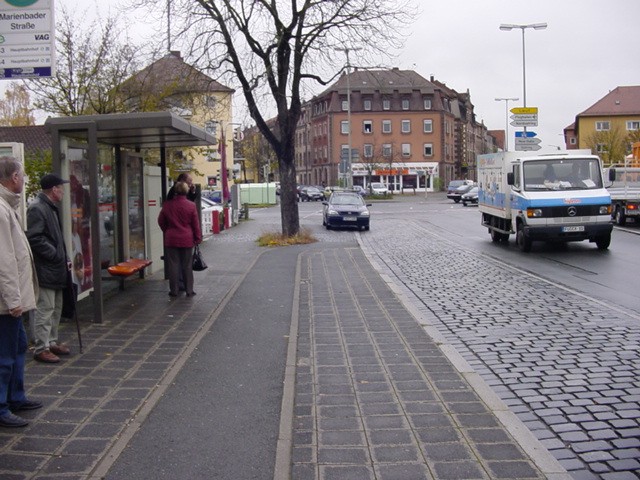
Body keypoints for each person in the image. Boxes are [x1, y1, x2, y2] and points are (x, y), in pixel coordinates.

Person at [0, 156, 42, 428]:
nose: (25, 179)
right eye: (22, 175)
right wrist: (14, 301)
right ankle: (2, 406)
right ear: (13, 177)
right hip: (6, 303)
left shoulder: (7, 206)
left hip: (13, 301)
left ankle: (16, 396)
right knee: (4, 356)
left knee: (17, 348)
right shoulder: (1, 210)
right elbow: (4, 260)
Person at [26, 174, 72, 364]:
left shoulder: (49, 207)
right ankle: (41, 347)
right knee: (46, 308)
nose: (63, 191)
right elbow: (35, 237)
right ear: (54, 189)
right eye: (61, 188)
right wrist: (54, 254)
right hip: (46, 267)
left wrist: (63, 256)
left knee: (56, 307)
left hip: (55, 266)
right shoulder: (38, 208)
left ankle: (51, 341)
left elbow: (55, 238)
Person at [158, 181, 202, 297]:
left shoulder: (167, 205)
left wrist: (167, 231)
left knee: (173, 265)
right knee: (187, 265)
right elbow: (195, 224)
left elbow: (161, 221)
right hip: (187, 238)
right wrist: (197, 238)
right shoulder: (191, 206)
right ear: (186, 191)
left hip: (171, 238)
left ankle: (174, 290)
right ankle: (189, 290)